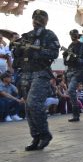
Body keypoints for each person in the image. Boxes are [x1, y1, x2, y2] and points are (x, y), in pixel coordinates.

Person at [12, 9, 60, 150]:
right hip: (26, 74)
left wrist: (37, 50)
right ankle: (36, 136)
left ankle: (45, 134)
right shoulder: (27, 36)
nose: (36, 20)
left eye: (40, 18)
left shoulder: (49, 35)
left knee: (34, 103)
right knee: (28, 107)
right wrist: (17, 48)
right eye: (34, 18)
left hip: (41, 73)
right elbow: (17, 54)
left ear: (45, 20)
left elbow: (54, 53)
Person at [63, 29, 83, 122]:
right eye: (71, 35)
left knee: (71, 90)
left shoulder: (82, 46)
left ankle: (76, 113)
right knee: (71, 93)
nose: (73, 36)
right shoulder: (70, 46)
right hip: (70, 72)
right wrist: (66, 57)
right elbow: (66, 62)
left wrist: (78, 60)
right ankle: (76, 114)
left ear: (77, 35)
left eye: (74, 34)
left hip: (78, 72)